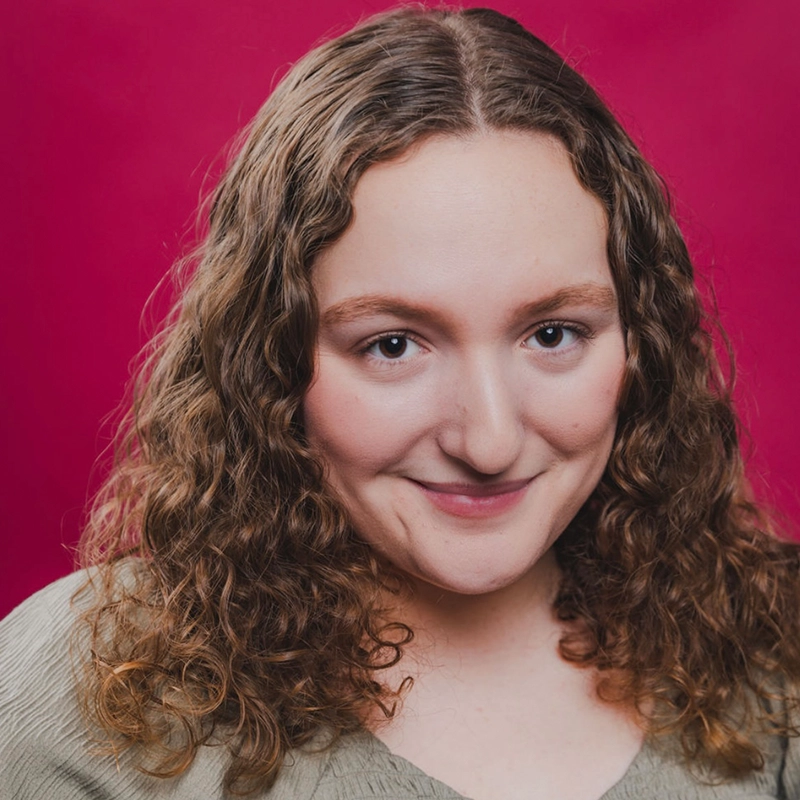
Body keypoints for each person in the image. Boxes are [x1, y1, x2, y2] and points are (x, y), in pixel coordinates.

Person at [1, 6, 799, 799]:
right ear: (268, 359)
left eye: (553, 334)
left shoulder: (775, 670)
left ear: (639, 341)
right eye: (392, 346)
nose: (488, 442)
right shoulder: (85, 702)